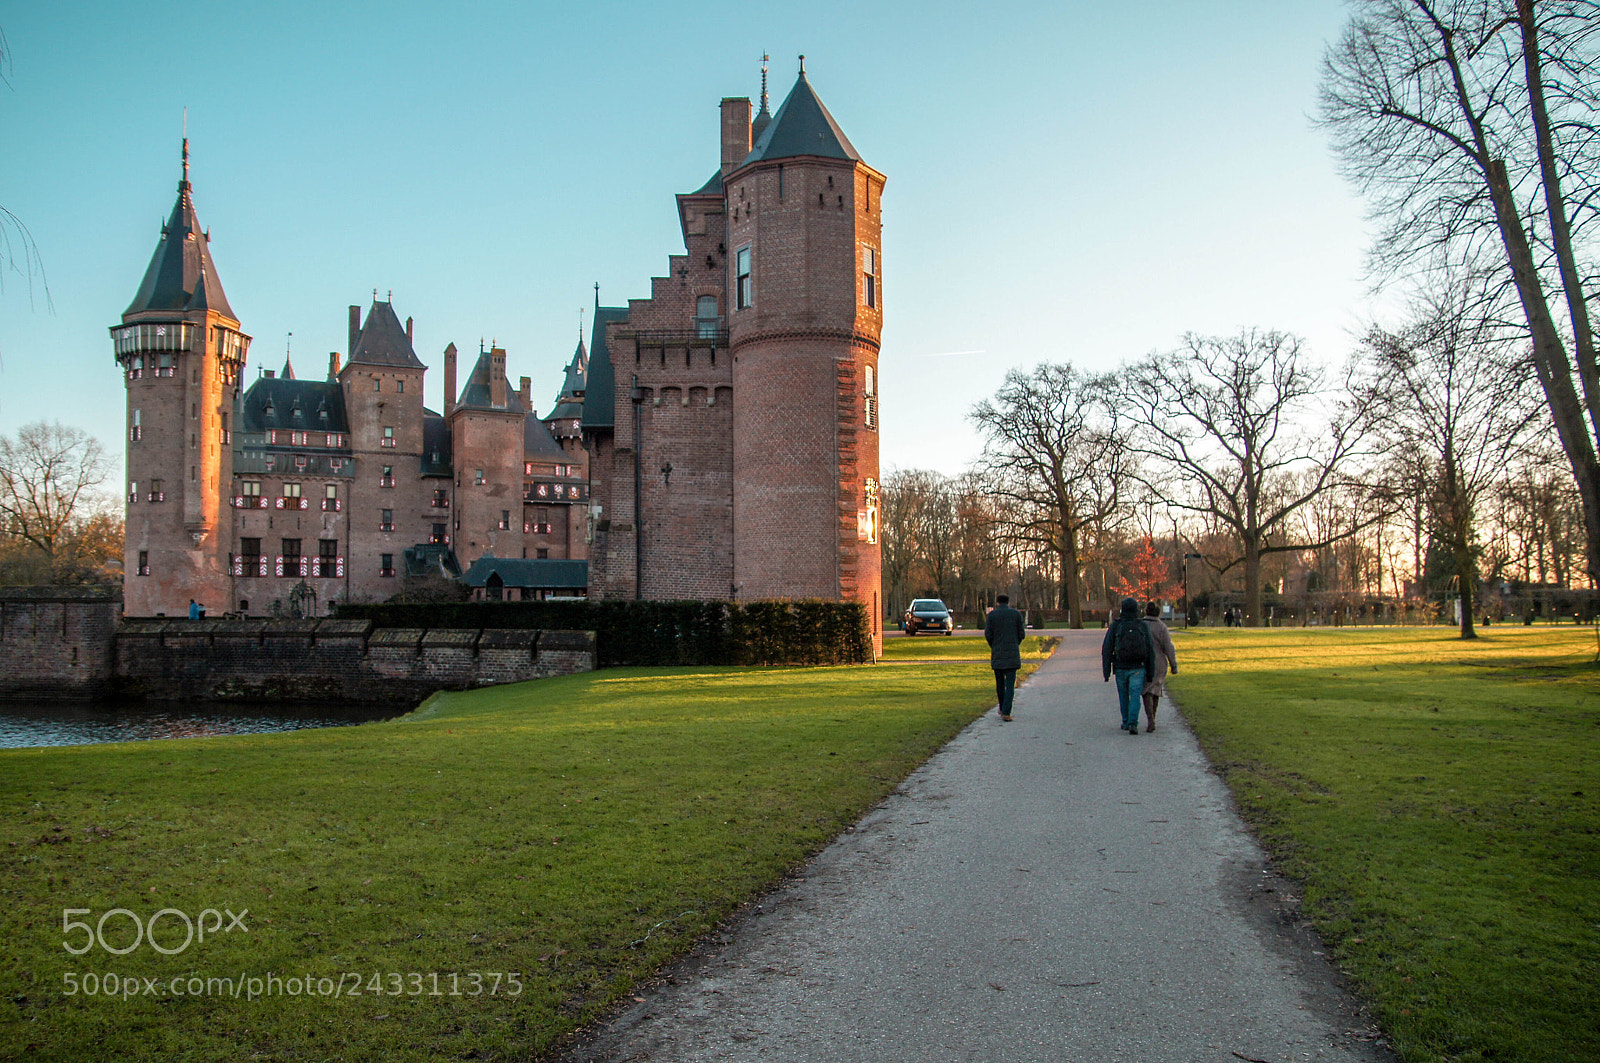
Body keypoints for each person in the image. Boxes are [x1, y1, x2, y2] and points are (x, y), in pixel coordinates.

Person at [1102, 596, 1155, 735]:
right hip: (1138, 666)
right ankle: (1133, 722)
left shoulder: (1116, 625)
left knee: (1123, 695)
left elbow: (1107, 649)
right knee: (1135, 694)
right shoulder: (1142, 625)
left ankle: (1126, 721)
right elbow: (1150, 649)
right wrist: (1150, 672)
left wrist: (1106, 672)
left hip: (1121, 666)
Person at [985, 594, 1026, 721]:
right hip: (1012, 654)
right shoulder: (1016, 614)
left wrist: (994, 645)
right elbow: (1021, 634)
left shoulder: (992, 615)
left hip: (997, 653)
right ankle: (1006, 712)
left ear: (997, 602)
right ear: (1008, 602)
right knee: (1010, 685)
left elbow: (988, 634)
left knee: (1000, 684)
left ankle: (1002, 708)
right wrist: (1015, 643)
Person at [1140, 601, 1178, 733]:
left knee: (1146, 691)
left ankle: (1150, 718)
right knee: (1155, 690)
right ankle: (1153, 718)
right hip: (1159, 662)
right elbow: (1168, 647)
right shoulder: (1162, 627)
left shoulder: (1141, 624)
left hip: (1143, 661)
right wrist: (1173, 665)